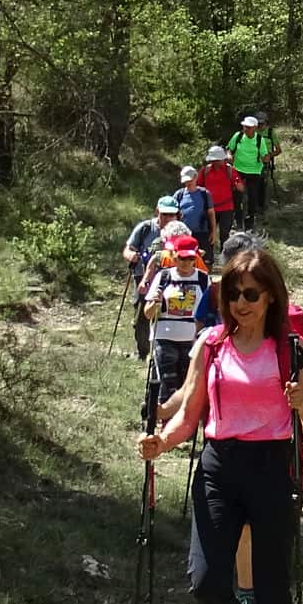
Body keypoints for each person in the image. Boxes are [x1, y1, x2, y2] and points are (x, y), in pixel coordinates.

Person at [138, 248, 303, 604]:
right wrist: (163, 443)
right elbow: (189, 414)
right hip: (219, 466)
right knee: (205, 580)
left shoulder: (291, 351)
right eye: (232, 293)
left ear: (270, 297)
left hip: (271, 470)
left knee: (271, 591)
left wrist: (299, 401)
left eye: (250, 294)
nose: (239, 303)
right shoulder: (211, 344)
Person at [141, 233, 216, 427]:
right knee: (167, 381)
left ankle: (183, 425)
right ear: (174, 256)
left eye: (191, 258)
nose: (186, 262)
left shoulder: (203, 279)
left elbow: (210, 311)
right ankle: (166, 425)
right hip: (163, 335)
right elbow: (148, 314)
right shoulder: (163, 276)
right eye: (182, 258)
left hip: (193, 339)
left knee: (187, 383)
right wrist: (154, 303)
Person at [122, 195, 179, 356]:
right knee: (141, 315)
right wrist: (131, 256)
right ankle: (143, 351)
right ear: (157, 212)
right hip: (143, 277)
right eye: (164, 214)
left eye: (171, 214)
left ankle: (162, 350)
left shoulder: (179, 230)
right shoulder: (145, 228)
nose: (168, 218)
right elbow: (128, 249)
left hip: (171, 278)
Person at [226, 115, 279, 228]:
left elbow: (265, 155)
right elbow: (229, 149)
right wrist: (229, 155)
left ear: (255, 128)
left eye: (249, 127)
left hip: (254, 171)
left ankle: (250, 220)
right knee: (237, 195)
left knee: (252, 196)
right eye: (245, 126)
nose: (246, 129)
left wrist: (266, 158)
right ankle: (238, 220)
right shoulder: (238, 136)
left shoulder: (260, 140)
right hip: (238, 170)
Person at [199, 146, 239, 247]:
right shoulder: (205, 171)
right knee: (208, 234)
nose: (216, 162)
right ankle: (209, 258)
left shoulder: (230, 170)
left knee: (224, 235)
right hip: (210, 208)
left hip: (227, 207)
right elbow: (198, 186)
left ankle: (224, 258)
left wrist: (239, 185)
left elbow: (239, 185)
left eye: (218, 160)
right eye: (214, 160)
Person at [173, 165, 216, 256]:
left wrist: (213, 231)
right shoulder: (179, 195)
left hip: (203, 233)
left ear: (196, 177)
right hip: (183, 234)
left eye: (190, 180)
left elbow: (211, 213)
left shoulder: (205, 194)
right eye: (185, 181)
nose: (188, 183)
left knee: (205, 260)